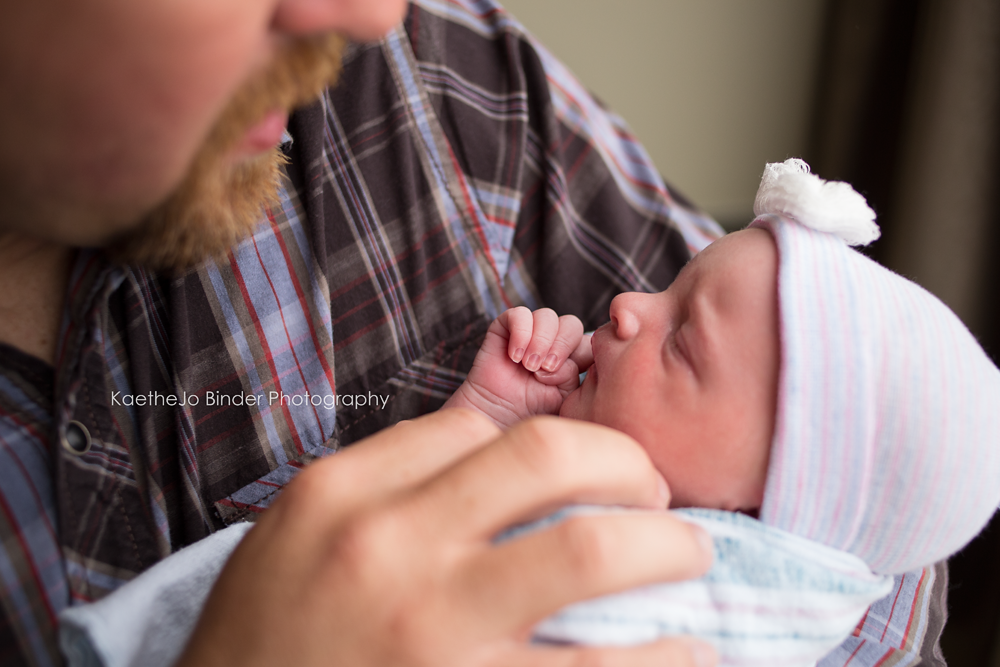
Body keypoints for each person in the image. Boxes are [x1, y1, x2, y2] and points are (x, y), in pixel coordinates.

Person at [0, 0, 945, 665]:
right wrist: (483, 417)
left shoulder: (433, 76)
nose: (373, 16)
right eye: (672, 299)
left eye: (680, 337)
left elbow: (889, 493)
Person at [443, 160, 1000, 664]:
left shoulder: (689, 615)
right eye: (669, 288)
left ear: (765, 506)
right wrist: (485, 420)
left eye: (681, 343)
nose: (627, 304)